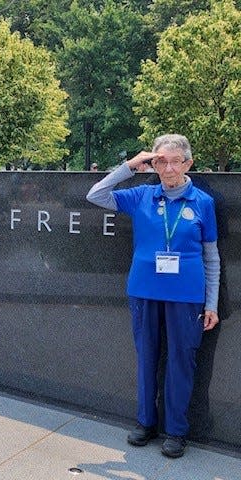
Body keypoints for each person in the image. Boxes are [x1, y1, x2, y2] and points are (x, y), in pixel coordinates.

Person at [86, 134, 220, 458]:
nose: (169, 167)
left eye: (176, 161)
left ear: (188, 163)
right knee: (146, 356)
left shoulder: (202, 202)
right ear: (154, 163)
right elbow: (95, 194)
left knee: (181, 361)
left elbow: (212, 258)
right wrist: (131, 166)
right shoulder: (142, 195)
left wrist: (211, 303)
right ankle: (146, 422)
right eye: (162, 160)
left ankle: (176, 430)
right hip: (144, 290)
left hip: (187, 296)